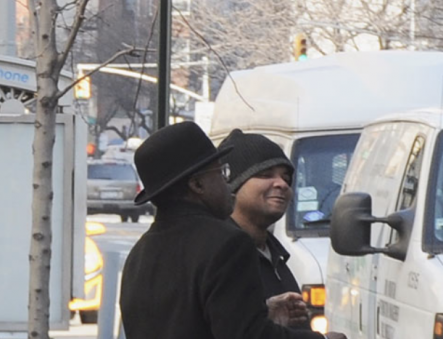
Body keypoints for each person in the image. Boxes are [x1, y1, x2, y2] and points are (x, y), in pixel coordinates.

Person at [119, 122, 345, 339]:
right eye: (219, 173)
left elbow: (191, 322)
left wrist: (260, 313)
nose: (227, 183)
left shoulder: (139, 254)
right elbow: (247, 336)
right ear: (197, 185)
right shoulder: (226, 243)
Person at [221, 129, 309, 327]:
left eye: (286, 178)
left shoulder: (276, 255)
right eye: (265, 174)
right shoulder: (220, 255)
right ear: (232, 185)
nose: (281, 184)